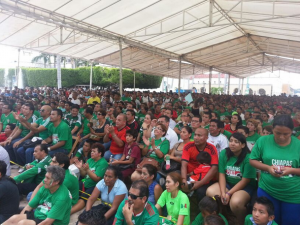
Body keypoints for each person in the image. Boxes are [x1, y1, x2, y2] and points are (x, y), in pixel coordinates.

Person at [250, 115, 300, 225]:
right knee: (270, 222)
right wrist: (268, 167)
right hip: (268, 190)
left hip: (293, 194)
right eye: (277, 133)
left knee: (291, 221)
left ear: (292, 131)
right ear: (272, 129)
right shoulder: (263, 141)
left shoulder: (298, 145)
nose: (281, 137)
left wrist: (291, 170)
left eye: (286, 134)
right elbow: (252, 160)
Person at [206, 132, 256, 225]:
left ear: (243, 145)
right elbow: (221, 174)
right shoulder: (224, 153)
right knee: (211, 192)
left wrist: (228, 193)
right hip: (228, 183)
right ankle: (220, 218)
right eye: (231, 141)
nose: (232, 143)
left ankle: (240, 222)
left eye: (236, 142)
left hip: (244, 186)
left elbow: (245, 180)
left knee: (236, 202)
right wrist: (223, 192)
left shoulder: (248, 158)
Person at [3, 166, 72, 225]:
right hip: (40, 214)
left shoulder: (62, 198)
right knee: (14, 218)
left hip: (52, 222)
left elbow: (48, 222)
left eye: (48, 178)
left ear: (57, 182)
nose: (44, 180)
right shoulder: (46, 187)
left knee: (22, 223)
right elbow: (29, 206)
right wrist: (20, 218)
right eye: (45, 177)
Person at [181, 128, 219, 201]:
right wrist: (183, 179)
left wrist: (200, 183)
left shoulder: (211, 148)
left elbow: (214, 168)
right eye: (195, 135)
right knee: (176, 178)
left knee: (201, 191)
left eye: (199, 135)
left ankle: (201, 210)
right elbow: (183, 164)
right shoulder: (188, 146)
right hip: (190, 174)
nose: (196, 137)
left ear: (206, 138)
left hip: (205, 177)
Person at [73, 143, 108, 214]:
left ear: (100, 153)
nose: (91, 153)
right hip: (85, 180)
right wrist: (80, 168)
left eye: (94, 151)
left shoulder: (103, 163)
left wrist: (88, 170)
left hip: (95, 185)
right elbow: (84, 174)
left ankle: (71, 211)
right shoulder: (90, 160)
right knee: (74, 187)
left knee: (84, 197)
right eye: (91, 151)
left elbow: (97, 179)